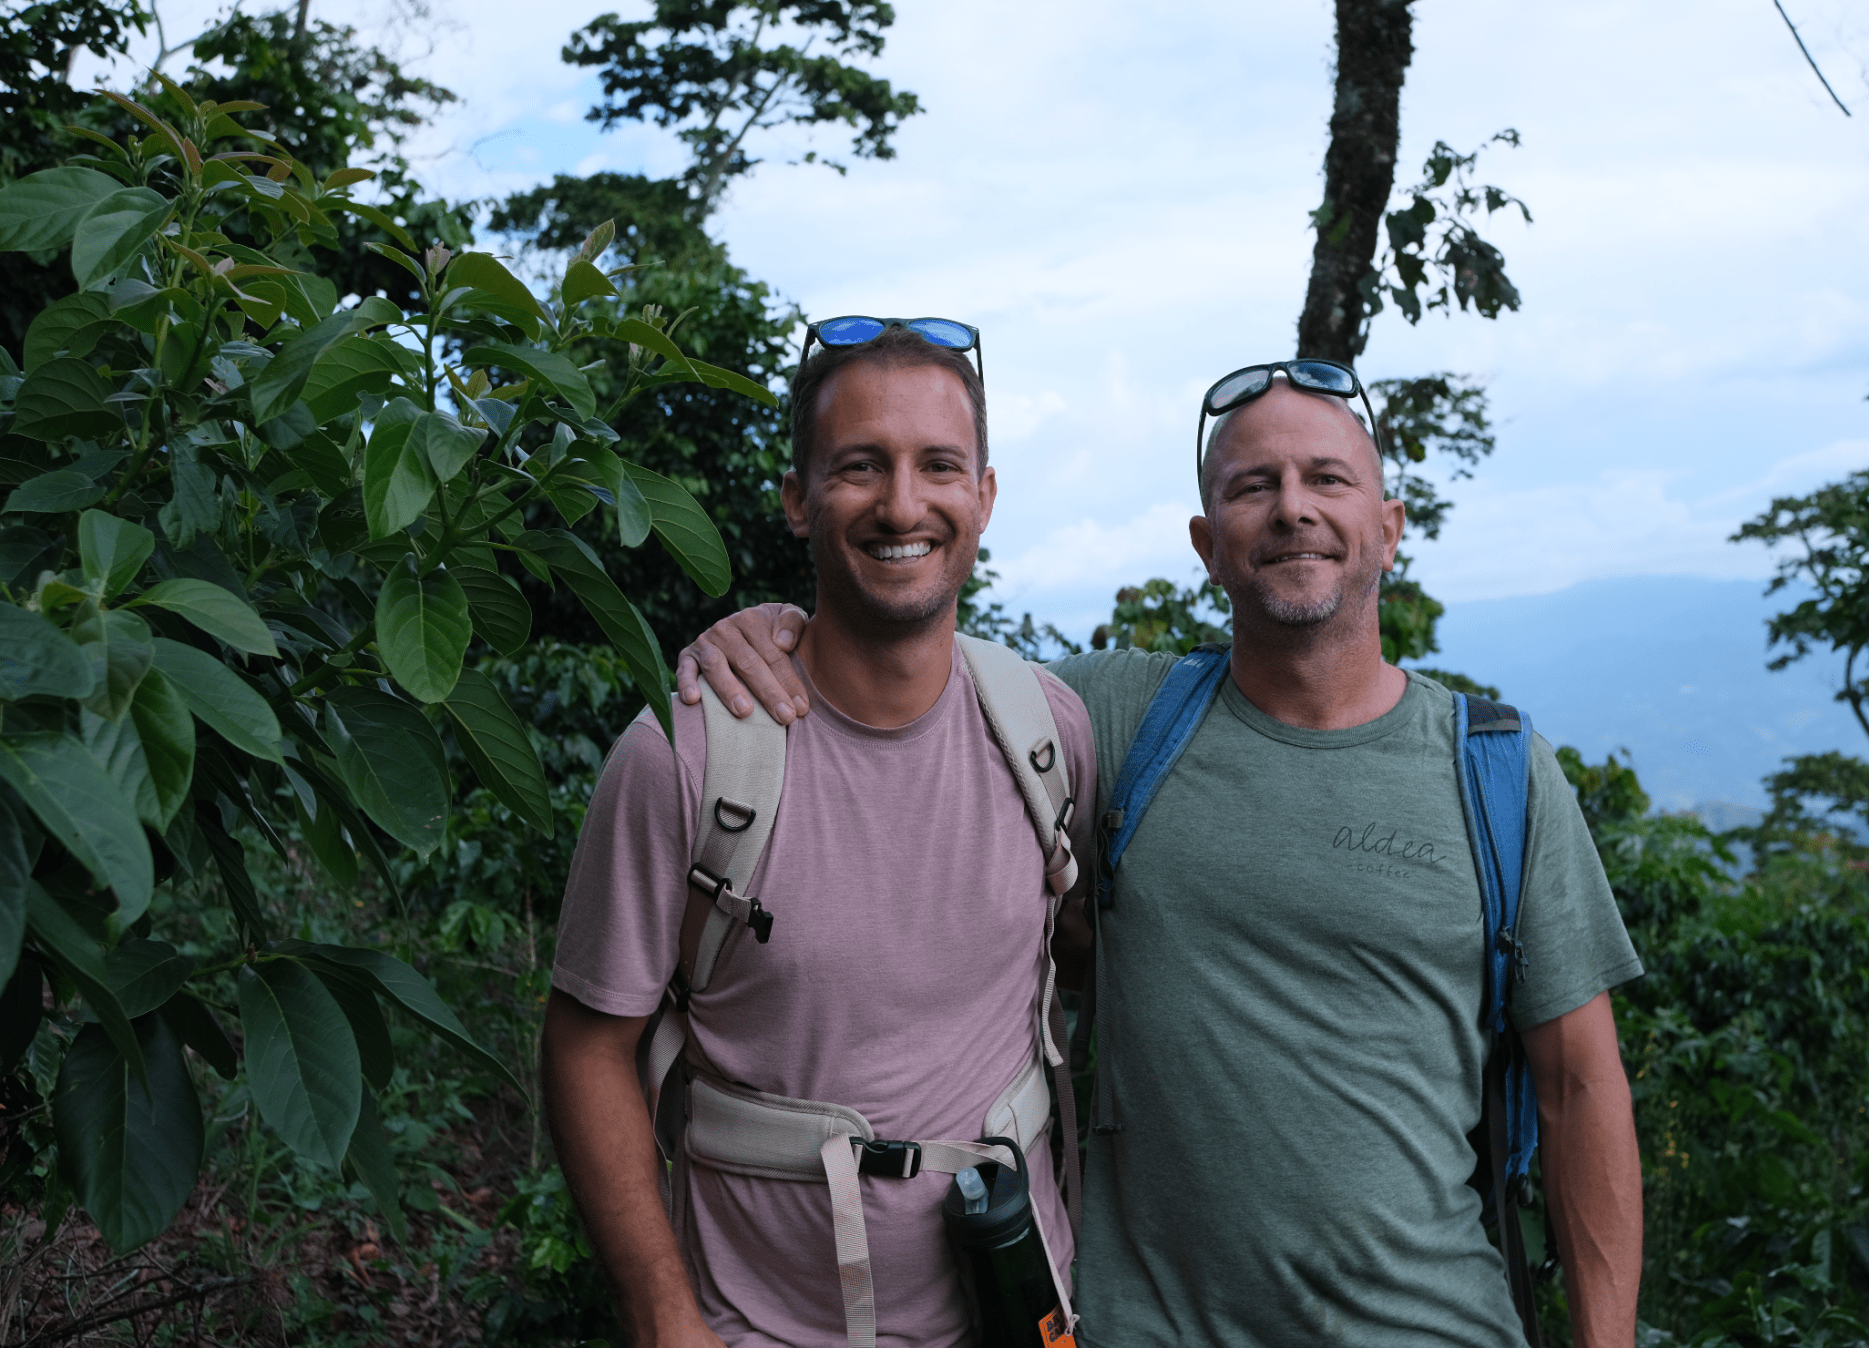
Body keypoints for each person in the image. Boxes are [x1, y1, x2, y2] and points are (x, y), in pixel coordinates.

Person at [675, 358, 1646, 1348]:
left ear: (1389, 528)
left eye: (1326, 479)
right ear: (1207, 546)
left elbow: (1579, 1085)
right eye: (1252, 486)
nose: (1292, 508)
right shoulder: (1116, 718)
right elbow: (902, 678)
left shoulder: (1494, 771)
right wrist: (772, 636)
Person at [542, 318, 1097, 1348]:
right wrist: (662, 1314)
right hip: (759, 1324)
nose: (903, 504)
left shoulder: (1047, 731)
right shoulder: (686, 758)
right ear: (798, 499)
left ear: (983, 496)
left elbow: (1085, 950)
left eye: (939, 465)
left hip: (1024, 1312)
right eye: (859, 466)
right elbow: (585, 1044)